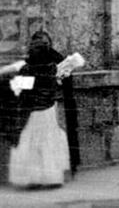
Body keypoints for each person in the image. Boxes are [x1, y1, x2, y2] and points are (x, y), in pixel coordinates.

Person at [2, 31, 73, 188]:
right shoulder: (52, 68)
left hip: (32, 111)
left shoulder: (28, 69)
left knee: (30, 142)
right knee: (47, 142)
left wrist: (9, 82)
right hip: (48, 109)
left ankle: (33, 178)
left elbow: (20, 87)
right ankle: (51, 177)